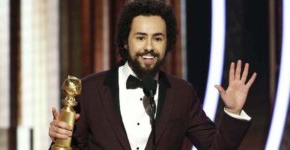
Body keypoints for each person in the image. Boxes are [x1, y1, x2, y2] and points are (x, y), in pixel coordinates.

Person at [48, 0, 257, 149]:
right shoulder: (90, 90)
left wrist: (233, 111)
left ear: (168, 43)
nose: (149, 47)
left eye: (157, 38)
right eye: (140, 37)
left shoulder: (182, 93)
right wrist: (59, 140)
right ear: (124, 41)